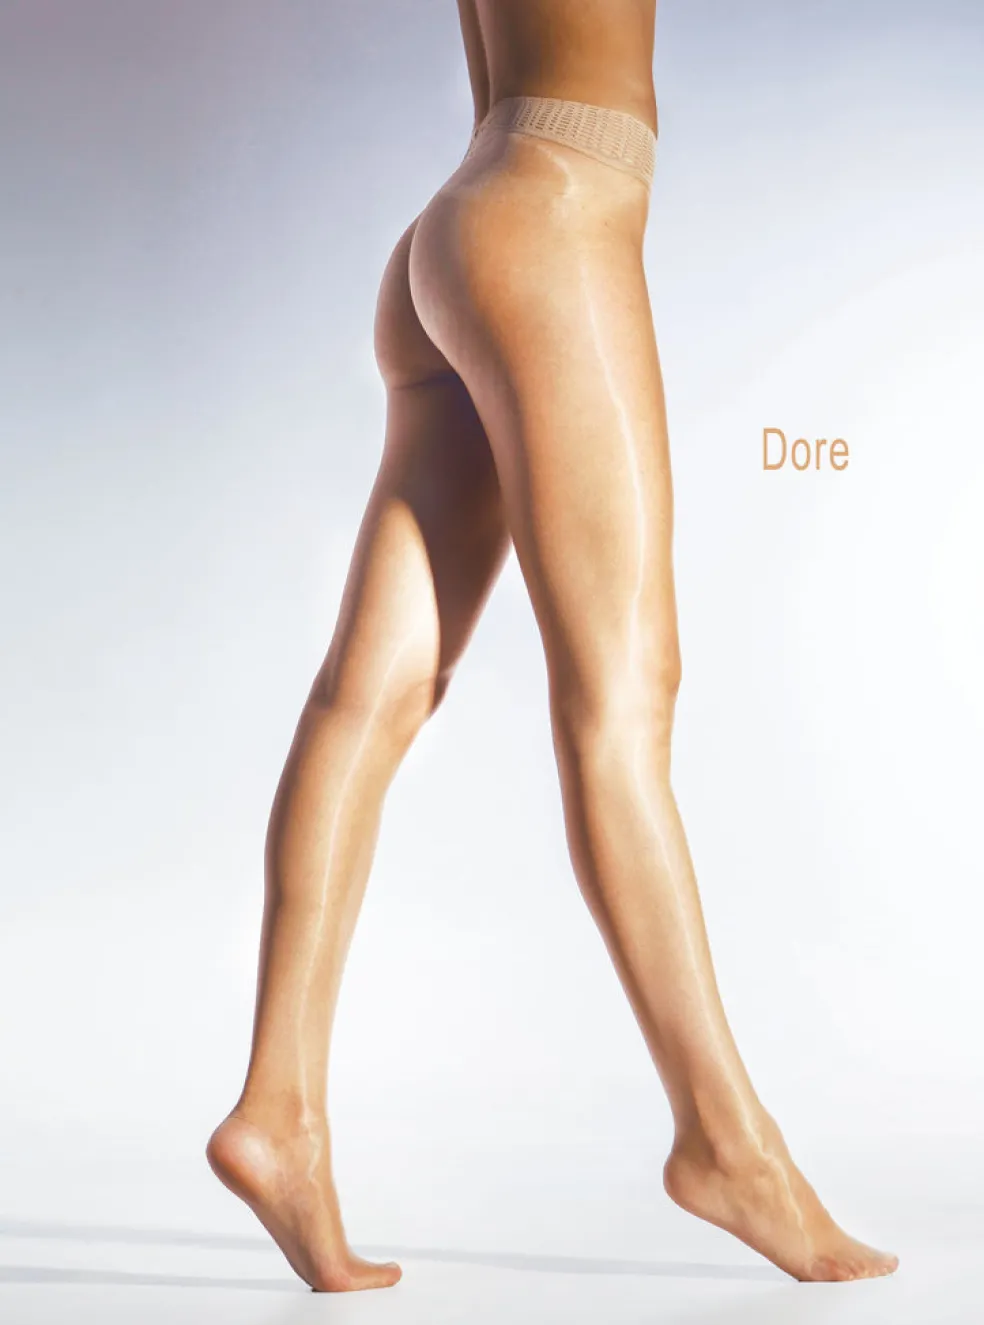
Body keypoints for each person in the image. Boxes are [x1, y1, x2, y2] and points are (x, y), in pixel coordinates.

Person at [206, 0, 899, 1293]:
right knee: (624, 709)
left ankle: (279, 1108)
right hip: (558, 215)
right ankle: (726, 1142)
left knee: (371, 696)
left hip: (460, 225)